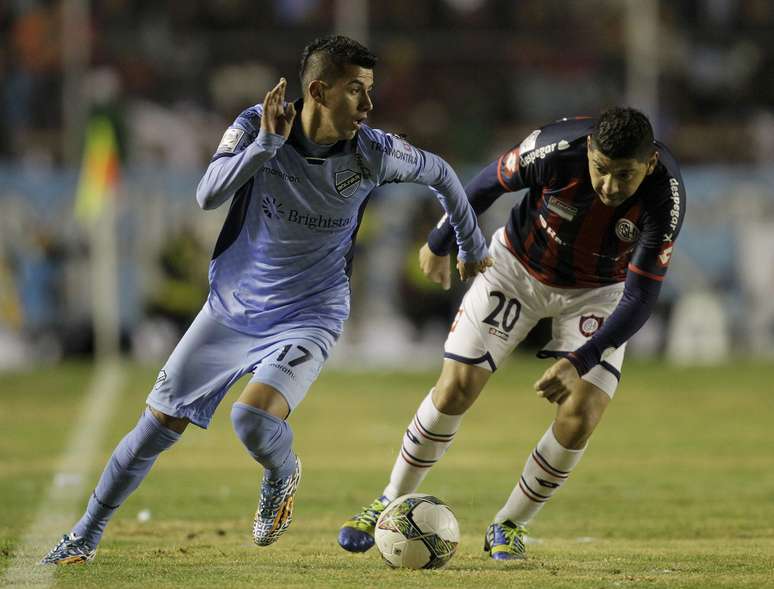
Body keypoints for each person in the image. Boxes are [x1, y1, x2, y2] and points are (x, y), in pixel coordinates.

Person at [41, 34, 491, 565]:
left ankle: (282, 474)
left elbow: (440, 173)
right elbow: (207, 193)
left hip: (311, 313)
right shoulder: (258, 123)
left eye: (371, 92)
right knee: (155, 428)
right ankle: (84, 535)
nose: (368, 106)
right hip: (231, 309)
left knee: (251, 420)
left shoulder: (373, 153)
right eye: (355, 91)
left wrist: (468, 244)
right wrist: (264, 147)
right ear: (318, 90)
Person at [338, 107, 686, 560]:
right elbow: (485, 183)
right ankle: (388, 500)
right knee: (456, 389)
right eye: (601, 170)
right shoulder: (554, 150)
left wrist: (580, 360)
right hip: (517, 269)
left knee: (582, 412)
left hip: (598, 292)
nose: (610, 187)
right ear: (589, 151)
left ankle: (510, 525)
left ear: (650, 165)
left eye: (625, 176)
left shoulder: (666, 197)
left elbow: (639, 298)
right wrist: (443, 242)